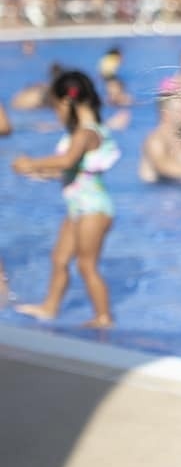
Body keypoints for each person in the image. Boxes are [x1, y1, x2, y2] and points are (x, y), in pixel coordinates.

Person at [10, 70, 119, 328]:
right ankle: (50, 307)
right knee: (59, 259)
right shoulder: (78, 134)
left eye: (56, 107)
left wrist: (31, 162)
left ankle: (104, 318)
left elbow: (67, 160)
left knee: (86, 265)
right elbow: (68, 169)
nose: (56, 114)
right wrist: (34, 170)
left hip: (94, 208)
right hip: (77, 207)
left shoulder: (86, 133)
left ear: (67, 102)